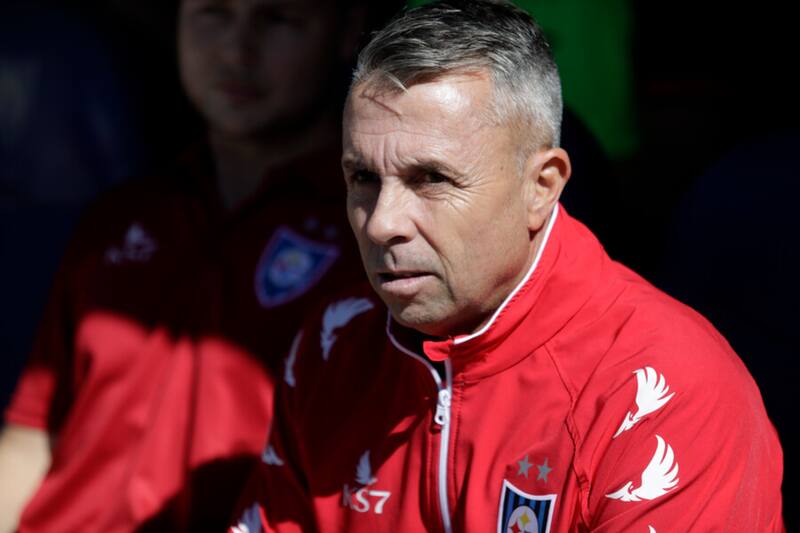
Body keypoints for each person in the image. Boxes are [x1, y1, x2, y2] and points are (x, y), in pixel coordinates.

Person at [233, 1, 785, 531]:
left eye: (432, 179)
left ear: (541, 187)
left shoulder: (663, 389)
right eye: (364, 178)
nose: (381, 223)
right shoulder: (334, 342)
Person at [0, 0, 400, 530]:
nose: (237, 51)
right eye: (212, 13)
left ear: (346, 29)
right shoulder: (120, 216)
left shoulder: (379, 232)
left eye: (277, 19)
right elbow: (31, 437)